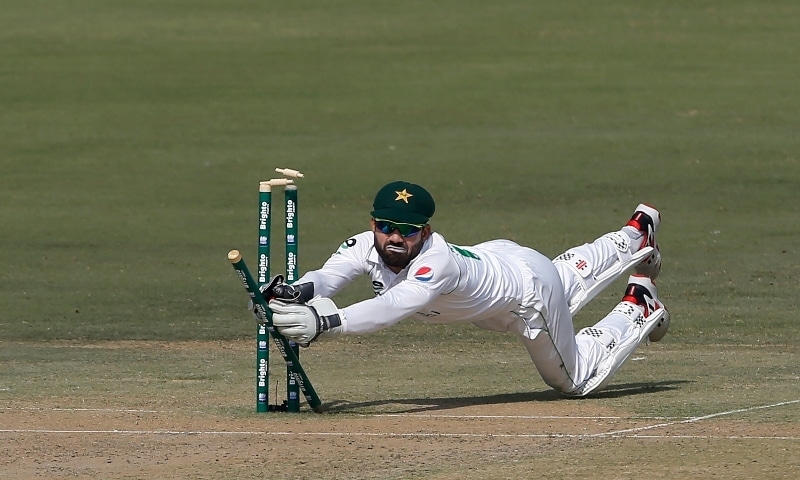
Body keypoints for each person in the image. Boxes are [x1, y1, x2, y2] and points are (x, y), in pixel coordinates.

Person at [263, 180, 670, 397]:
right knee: (560, 276)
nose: (394, 238)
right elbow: (328, 276)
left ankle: (638, 307)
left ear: (425, 232)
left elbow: (395, 305)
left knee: (573, 380)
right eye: (386, 227)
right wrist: (294, 293)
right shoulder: (362, 244)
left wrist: (326, 321)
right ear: (373, 224)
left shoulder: (434, 263)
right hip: (504, 265)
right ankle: (634, 235)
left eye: (406, 231)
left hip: (527, 299)